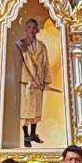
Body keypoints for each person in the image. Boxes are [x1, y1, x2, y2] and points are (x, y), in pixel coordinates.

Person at [16, 19, 52, 148]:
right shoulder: (21, 45)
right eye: (29, 27)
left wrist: (46, 81)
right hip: (27, 82)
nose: (31, 30)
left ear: (37, 30)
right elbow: (18, 64)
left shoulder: (42, 46)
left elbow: (46, 64)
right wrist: (26, 80)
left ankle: (33, 134)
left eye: (34, 27)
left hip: (39, 81)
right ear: (26, 29)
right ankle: (25, 136)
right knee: (26, 110)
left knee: (36, 109)